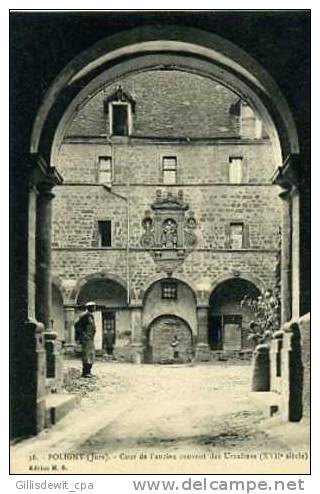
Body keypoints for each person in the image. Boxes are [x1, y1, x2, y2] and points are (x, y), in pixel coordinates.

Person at [75, 301, 96, 378]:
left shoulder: (91, 316)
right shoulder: (84, 316)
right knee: (86, 355)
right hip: (86, 338)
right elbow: (78, 326)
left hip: (90, 338)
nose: (94, 308)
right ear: (89, 307)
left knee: (91, 355)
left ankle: (89, 371)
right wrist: (83, 335)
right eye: (93, 307)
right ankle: (85, 372)